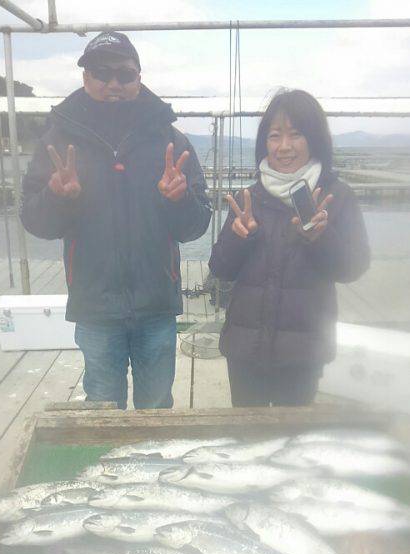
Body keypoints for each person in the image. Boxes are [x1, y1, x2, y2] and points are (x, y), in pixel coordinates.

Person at [21, 31, 211, 409]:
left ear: (139, 78)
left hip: (156, 304)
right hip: (95, 305)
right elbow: (35, 222)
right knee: (101, 406)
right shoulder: (56, 141)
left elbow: (196, 225)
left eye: (124, 74)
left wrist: (178, 200)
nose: (113, 83)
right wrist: (58, 198)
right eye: (101, 73)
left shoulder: (171, 141)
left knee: (156, 406)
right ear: (85, 78)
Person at [209, 89, 370, 407]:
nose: (284, 146)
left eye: (296, 135)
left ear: (315, 139)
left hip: (303, 352)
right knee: (247, 438)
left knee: (291, 441)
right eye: (275, 136)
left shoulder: (336, 196)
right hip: (244, 349)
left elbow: (353, 267)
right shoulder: (249, 197)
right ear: (264, 143)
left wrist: (321, 238)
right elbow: (220, 267)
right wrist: (239, 238)